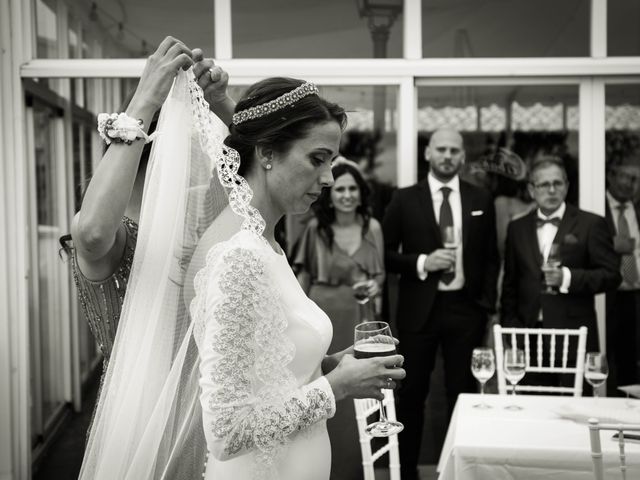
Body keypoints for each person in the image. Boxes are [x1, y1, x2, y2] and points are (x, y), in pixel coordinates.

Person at [80, 68, 405, 480]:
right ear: (267, 154)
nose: (328, 179)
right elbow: (227, 431)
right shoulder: (240, 258)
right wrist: (336, 387)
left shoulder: (267, 245)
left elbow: (270, 375)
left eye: (332, 162)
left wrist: (331, 366)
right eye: (317, 160)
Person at [61, 36, 234, 367]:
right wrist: (145, 99)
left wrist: (221, 102)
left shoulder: (198, 209)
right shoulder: (111, 228)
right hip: (141, 413)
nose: (206, 152)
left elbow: (268, 178)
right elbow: (94, 234)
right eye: (198, 138)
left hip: (207, 406)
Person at [382, 127, 499, 480]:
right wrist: (421, 262)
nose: (448, 156)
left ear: (463, 157)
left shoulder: (481, 199)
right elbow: (384, 255)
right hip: (420, 311)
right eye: (441, 149)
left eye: (454, 150)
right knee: (413, 395)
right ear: (428, 154)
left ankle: (456, 471)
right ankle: (406, 474)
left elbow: (492, 257)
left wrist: (487, 305)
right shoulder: (404, 199)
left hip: (466, 310)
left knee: (460, 395)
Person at [294, 158, 384, 480]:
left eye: (352, 189)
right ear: (331, 194)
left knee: (356, 391)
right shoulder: (317, 229)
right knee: (326, 383)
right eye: (340, 188)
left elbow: (380, 275)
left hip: (360, 316)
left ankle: (356, 471)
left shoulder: (372, 227)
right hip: (326, 315)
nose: (346, 194)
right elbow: (302, 278)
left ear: (360, 193)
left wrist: (376, 285)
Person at [501, 157, 621, 367]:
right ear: (531, 189)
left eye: (557, 183)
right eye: (544, 184)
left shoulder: (591, 224)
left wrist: (567, 277)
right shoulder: (516, 228)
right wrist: (511, 330)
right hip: (528, 338)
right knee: (531, 399)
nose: (551, 190)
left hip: (574, 337)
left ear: (566, 187)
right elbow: (510, 285)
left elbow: (612, 275)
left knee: (574, 400)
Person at [605, 156, 640, 394]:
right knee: (608, 356)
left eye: (635, 179)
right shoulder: (593, 203)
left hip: (636, 295)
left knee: (632, 357)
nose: (630, 183)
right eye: (625, 176)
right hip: (608, 295)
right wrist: (612, 244)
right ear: (611, 176)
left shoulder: (638, 207)